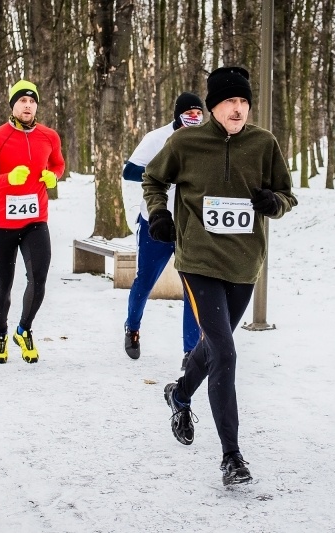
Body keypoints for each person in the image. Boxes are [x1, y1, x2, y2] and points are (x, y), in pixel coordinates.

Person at [142, 66, 297, 486]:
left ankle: (179, 393)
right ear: (213, 106)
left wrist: (274, 203)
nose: (238, 109)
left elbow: (287, 194)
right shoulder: (186, 142)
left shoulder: (264, 143)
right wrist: (158, 215)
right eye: (230, 101)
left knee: (214, 345)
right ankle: (232, 456)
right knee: (225, 353)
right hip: (198, 261)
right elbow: (153, 179)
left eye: (244, 101)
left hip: (244, 264)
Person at [0, 79, 65, 364]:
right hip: (3, 224)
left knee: (39, 279)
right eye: (22, 100)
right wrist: (7, 179)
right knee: (3, 286)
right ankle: (1, 333)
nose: (28, 105)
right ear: (13, 105)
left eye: (32, 101)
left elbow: (58, 164)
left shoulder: (49, 136)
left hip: (36, 221)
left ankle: (24, 329)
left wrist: (53, 177)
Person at [122, 92, 204, 369]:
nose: (194, 118)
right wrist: (164, 174)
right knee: (145, 281)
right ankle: (132, 328)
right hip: (155, 222)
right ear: (177, 115)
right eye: (189, 114)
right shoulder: (156, 138)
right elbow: (129, 171)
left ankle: (190, 351)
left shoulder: (206, 140)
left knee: (193, 287)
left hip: (190, 224)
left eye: (198, 114)